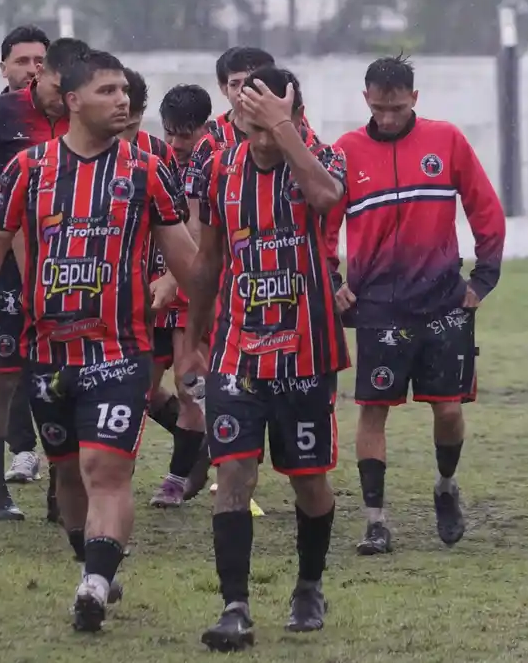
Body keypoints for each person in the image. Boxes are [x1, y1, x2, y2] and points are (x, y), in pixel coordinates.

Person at [0, 49, 199, 634]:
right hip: (48, 354)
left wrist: (190, 299)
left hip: (120, 350)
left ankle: (92, 586)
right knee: (67, 474)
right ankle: (96, 563)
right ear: (72, 100)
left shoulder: (147, 169)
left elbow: (186, 259)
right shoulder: (29, 168)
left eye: (125, 91)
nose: (122, 101)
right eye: (107, 91)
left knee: (104, 468)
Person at [187, 65, 348, 650]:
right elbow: (207, 262)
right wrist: (191, 341)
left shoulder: (322, 158)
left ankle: (309, 583)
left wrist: (286, 132)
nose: (260, 133)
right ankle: (235, 606)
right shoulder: (218, 169)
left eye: (274, 118)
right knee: (234, 473)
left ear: (294, 115)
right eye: (251, 121)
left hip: (307, 353)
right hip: (238, 352)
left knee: (309, 482)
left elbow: (328, 199)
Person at [325, 56, 505, 555]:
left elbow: (484, 206)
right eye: (379, 108)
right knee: (373, 410)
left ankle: (446, 486)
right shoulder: (345, 151)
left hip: (444, 301)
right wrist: (331, 278)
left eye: (397, 108)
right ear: (366, 100)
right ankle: (375, 521)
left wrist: (483, 278)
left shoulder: (446, 140)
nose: (387, 118)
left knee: (448, 410)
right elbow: (324, 224)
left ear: (415, 100)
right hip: (378, 305)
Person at [0, 28, 79, 523]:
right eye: (28, 63)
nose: (34, 71)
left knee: (67, 379)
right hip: (7, 272)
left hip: (70, 269)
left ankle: (63, 488)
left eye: (40, 61)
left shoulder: (83, 118)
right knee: (3, 380)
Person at [117, 71, 210, 508]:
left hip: (187, 280)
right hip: (148, 283)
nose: (176, 143)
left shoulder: (212, 160)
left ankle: (177, 478)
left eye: (184, 135)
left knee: (190, 379)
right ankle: (201, 448)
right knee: (143, 389)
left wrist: (177, 277)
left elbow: (194, 226)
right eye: (170, 133)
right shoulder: (152, 154)